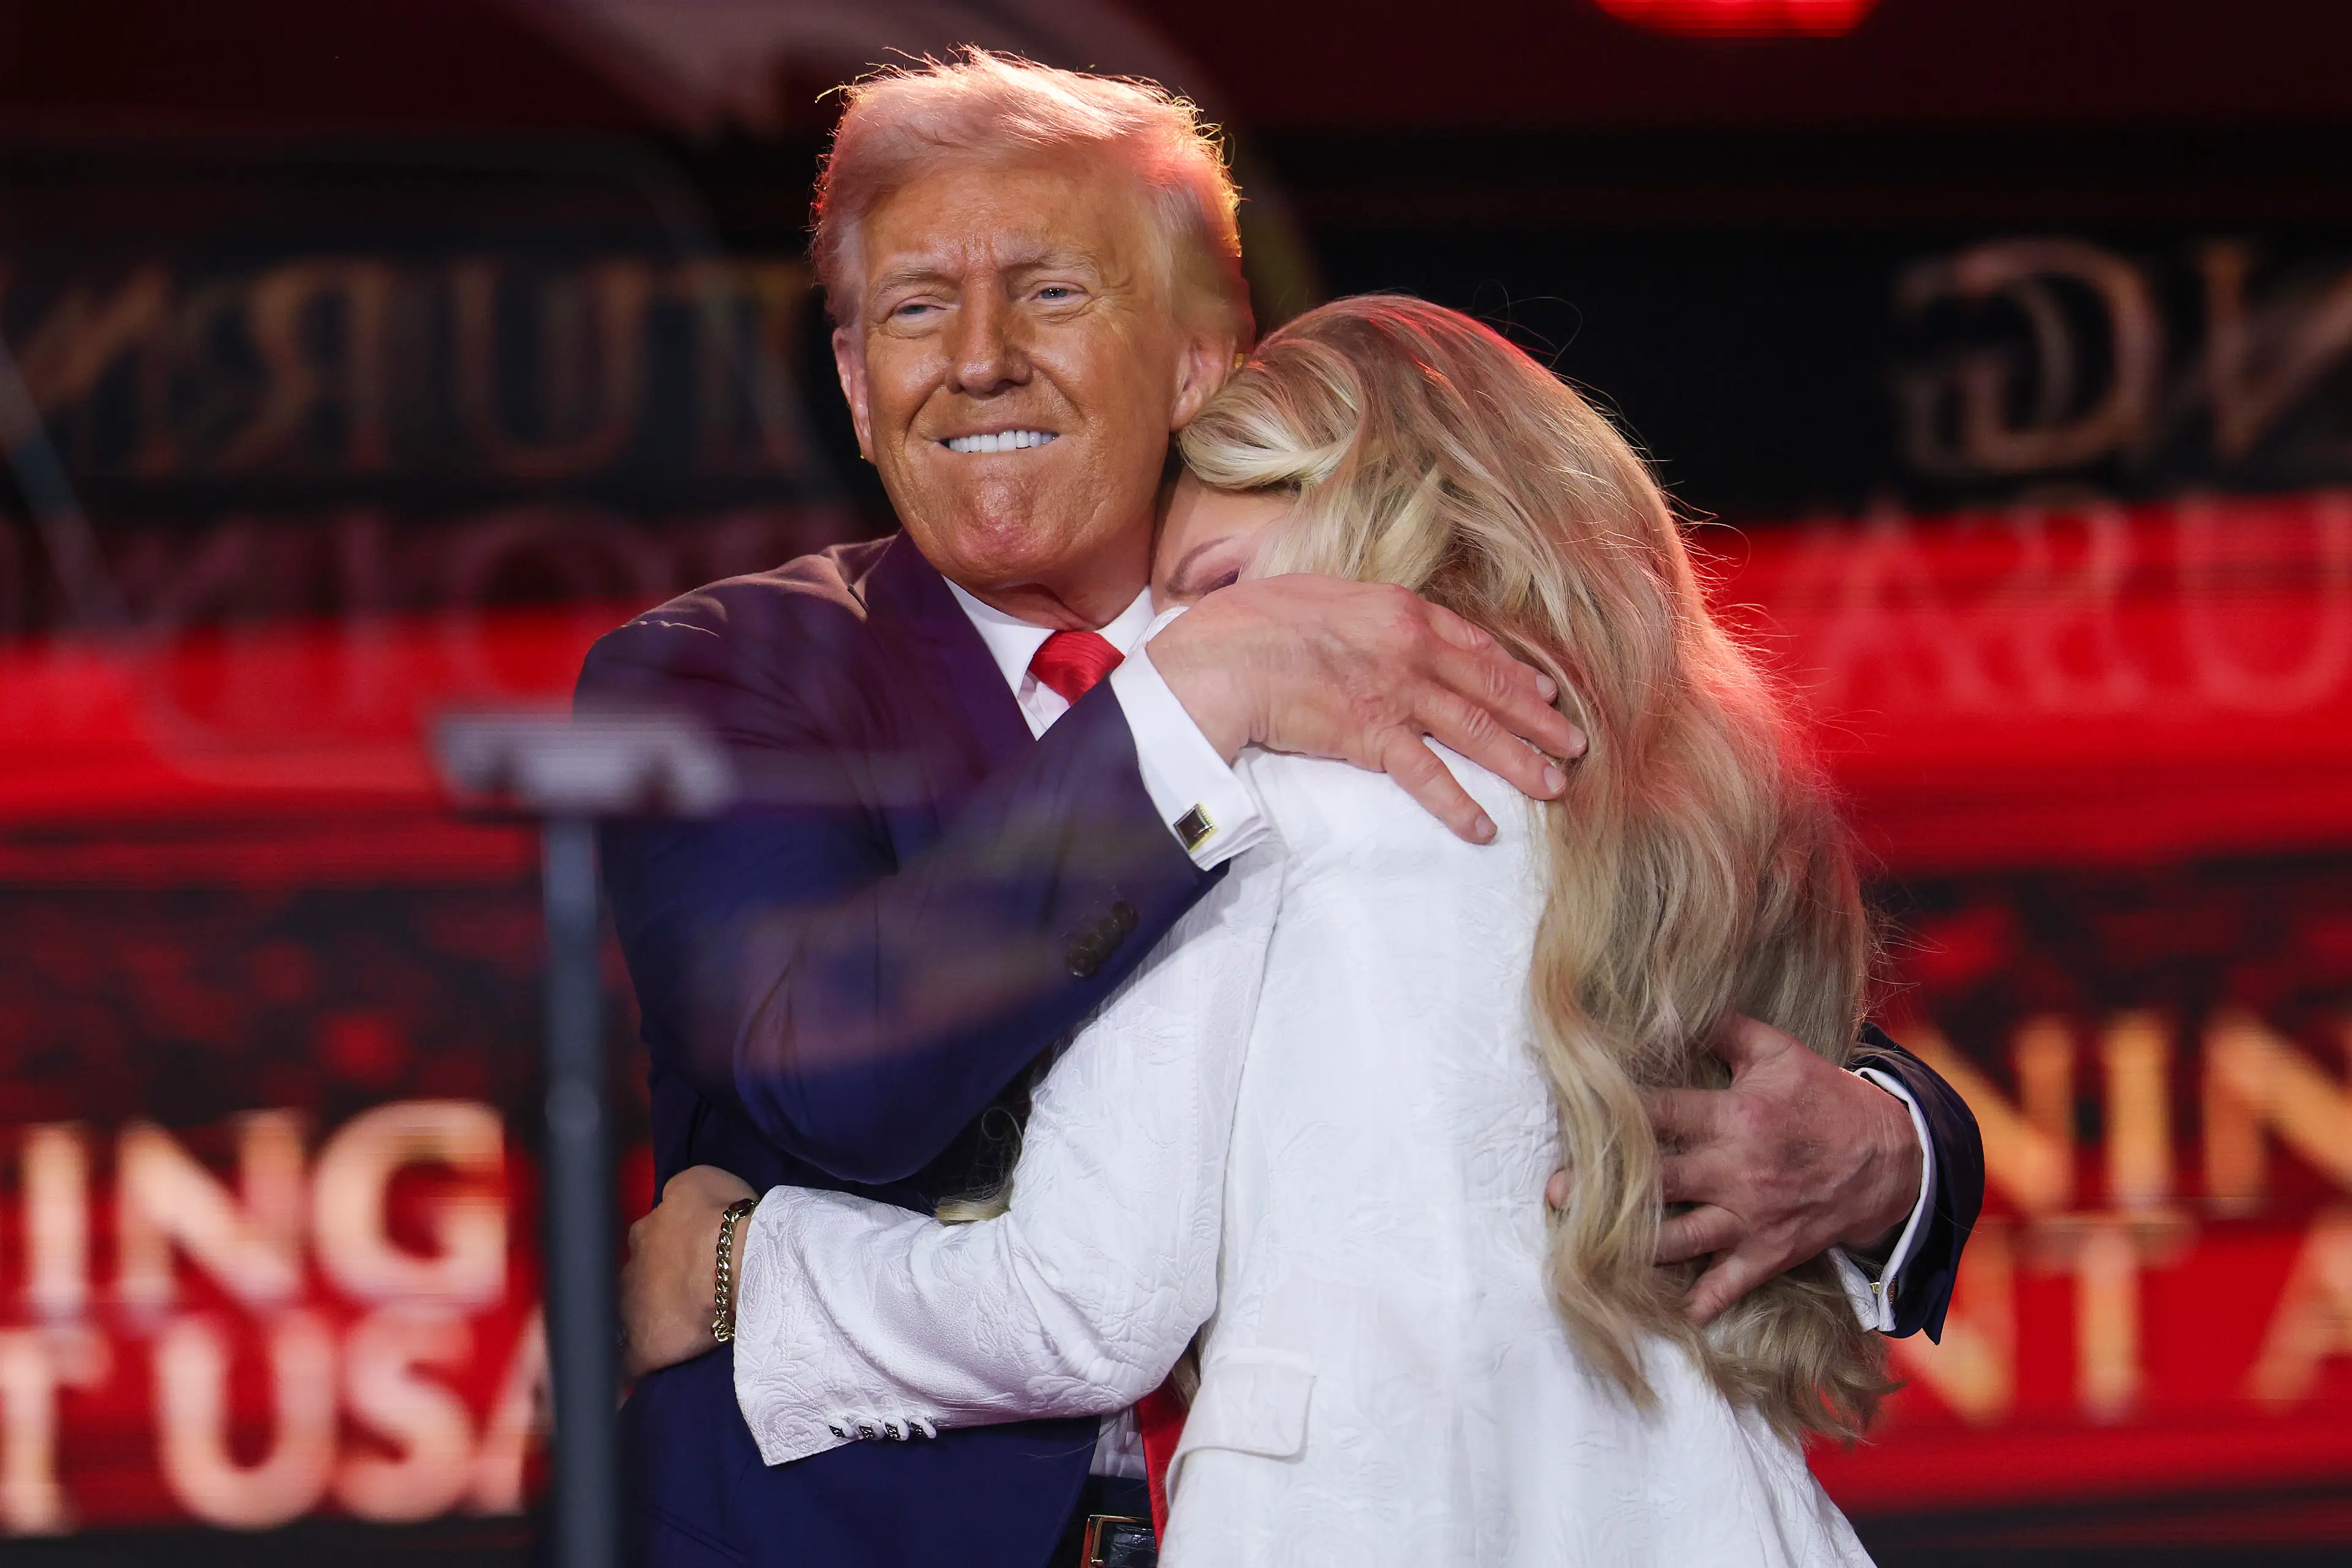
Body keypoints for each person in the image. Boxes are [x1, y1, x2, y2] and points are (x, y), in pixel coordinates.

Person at [589, 52, 1981, 1568]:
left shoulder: (1398, 666)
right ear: (857, 385)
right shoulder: (723, 673)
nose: (977, 357)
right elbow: (824, 1064)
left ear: (1204, 360)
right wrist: (1188, 710)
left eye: (1052, 292)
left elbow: (1641, 955)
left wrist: (1892, 1142)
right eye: (916, 308)